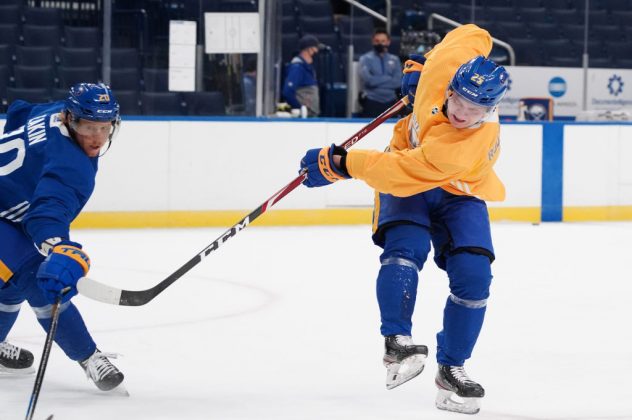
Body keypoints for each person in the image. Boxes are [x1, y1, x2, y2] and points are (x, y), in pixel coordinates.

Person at [298, 24, 508, 415]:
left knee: (475, 276)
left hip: (457, 191)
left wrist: (340, 164)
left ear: (491, 109)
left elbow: (398, 171)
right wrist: (422, 65)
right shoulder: (446, 66)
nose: (463, 113)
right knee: (406, 248)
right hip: (409, 173)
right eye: (459, 100)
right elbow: (475, 33)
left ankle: (452, 368)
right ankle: (397, 341)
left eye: (476, 110)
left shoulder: (465, 146)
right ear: (451, 84)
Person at [0, 83, 125, 392]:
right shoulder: (72, 165)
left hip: (9, 214)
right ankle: (89, 357)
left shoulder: (52, 112)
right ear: (71, 119)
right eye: (88, 126)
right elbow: (48, 212)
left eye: (104, 127)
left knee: (11, 284)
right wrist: (57, 246)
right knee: (34, 277)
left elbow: (18, 111)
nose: (96, 137)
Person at [358, 28, 402, 118]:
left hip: (391, 102)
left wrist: (378, 79)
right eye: (377, 41)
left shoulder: (395, 60)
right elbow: (369, 81)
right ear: (373, 42)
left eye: (383, 41)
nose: (380, 44)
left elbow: (398, 82)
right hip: (372, 101)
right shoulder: (365, 59)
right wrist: (388, 78)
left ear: (388, 42)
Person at [282, 34, 322, 117]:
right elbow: (288, 91)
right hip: (303, 116)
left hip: (310, 115)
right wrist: (300, 108)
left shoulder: (307, 68)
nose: (317, 52)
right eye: (315, 49)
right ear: (309, 50)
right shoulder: (297, 68)